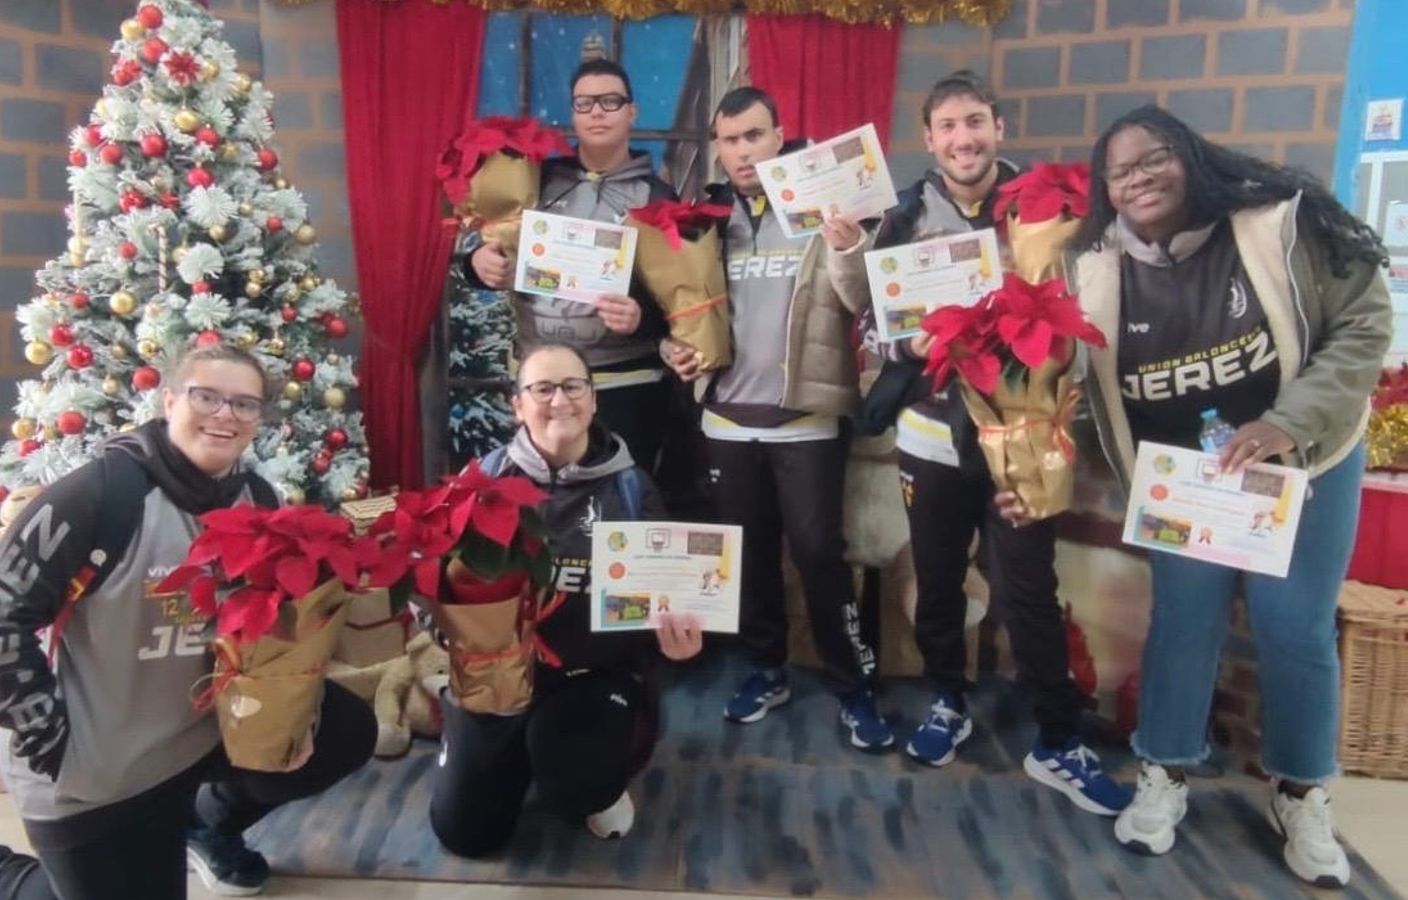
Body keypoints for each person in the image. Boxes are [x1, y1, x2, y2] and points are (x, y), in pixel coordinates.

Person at [0, 346, 378, 900]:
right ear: (170, 401)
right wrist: (52, 738)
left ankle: (206, 823)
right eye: (207, 397)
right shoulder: (98, 496)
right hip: (97, 767)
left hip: (195, 734)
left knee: (344, 728)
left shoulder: (257, 498)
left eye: (244, 404)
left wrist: (289, 717)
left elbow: (265, 626)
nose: (225, 415)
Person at [1062, 105, 1391, 887]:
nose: (1139, 178)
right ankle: (1164, 771)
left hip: (1303, 464)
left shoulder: (1278, 225)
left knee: (1295, 628)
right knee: (1182, 624)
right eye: (1120, 171)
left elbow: (1364, 325)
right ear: (1105, 188)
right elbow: (1081, 393)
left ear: (1193, 156)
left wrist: (1286, 424)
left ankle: (1302, 793)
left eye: (1155, 158)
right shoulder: (1093, 266)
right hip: (1190, 486)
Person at [829, 70, 1129, 814]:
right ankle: (947, 700)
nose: (962, 139)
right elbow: (869, 322)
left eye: (974, 122)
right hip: (931, 435)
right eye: (948, 127)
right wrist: (912, 343)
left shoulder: (1048, 209)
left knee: (1028, 589)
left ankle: (1057, 738)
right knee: (936, 580)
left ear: (999, 127)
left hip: (1018, 438)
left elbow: (1091, 304)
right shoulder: (902, 218)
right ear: (929, 139)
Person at [661, 87, 888, 749]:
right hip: (727, 419)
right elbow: (678, 309)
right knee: (749, 557)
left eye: (754, 136)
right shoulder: (705, 218)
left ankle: (852, 686)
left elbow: (862, 300)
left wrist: (848, 245)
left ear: (780, 135)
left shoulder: (824, 202)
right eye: (730, 140)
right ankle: (766, 669)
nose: (743, 152)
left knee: (819, 555)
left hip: (806, 418)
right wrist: (673, 348)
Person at [428, 343, 703, 857]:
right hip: (498, 674)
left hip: (593, 675)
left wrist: (676, 644)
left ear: (593, 399)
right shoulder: (482, 480)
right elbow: (437, 584)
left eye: (573, 386)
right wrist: (447, 628)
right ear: (518, 405)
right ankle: (510, 752)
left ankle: (604, 761)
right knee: (465, 833)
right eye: (542, 389)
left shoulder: (631, 488)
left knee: (576, 786)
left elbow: (664, 593)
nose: (560, 401)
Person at [464, 58, 677, 473]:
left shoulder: (657, 197)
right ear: (573, 113)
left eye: (610, 101)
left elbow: (681, 300)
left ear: (632, 112)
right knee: (541, 498)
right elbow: (490, 246)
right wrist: (478, 264)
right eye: (585, 103)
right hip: (543, 383)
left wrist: (642, 317)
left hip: (625, 383)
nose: (597, 112)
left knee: (623, 500)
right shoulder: (533, 182)